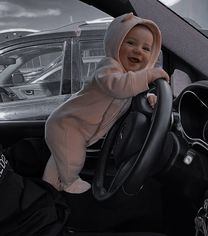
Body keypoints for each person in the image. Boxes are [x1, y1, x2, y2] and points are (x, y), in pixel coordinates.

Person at [42, 12, 169, 194]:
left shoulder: (128, 79)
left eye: (146, 48)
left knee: (59, 161)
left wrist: (150, 98)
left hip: (70, 125)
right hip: (67, 125)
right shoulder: (108, 68)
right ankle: (69, 183)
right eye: (131, 43)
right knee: (73, 160)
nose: (137, 51)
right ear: (114, 44)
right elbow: (118, 87)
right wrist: (149, 75)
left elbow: (131, 94)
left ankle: (48, 188)